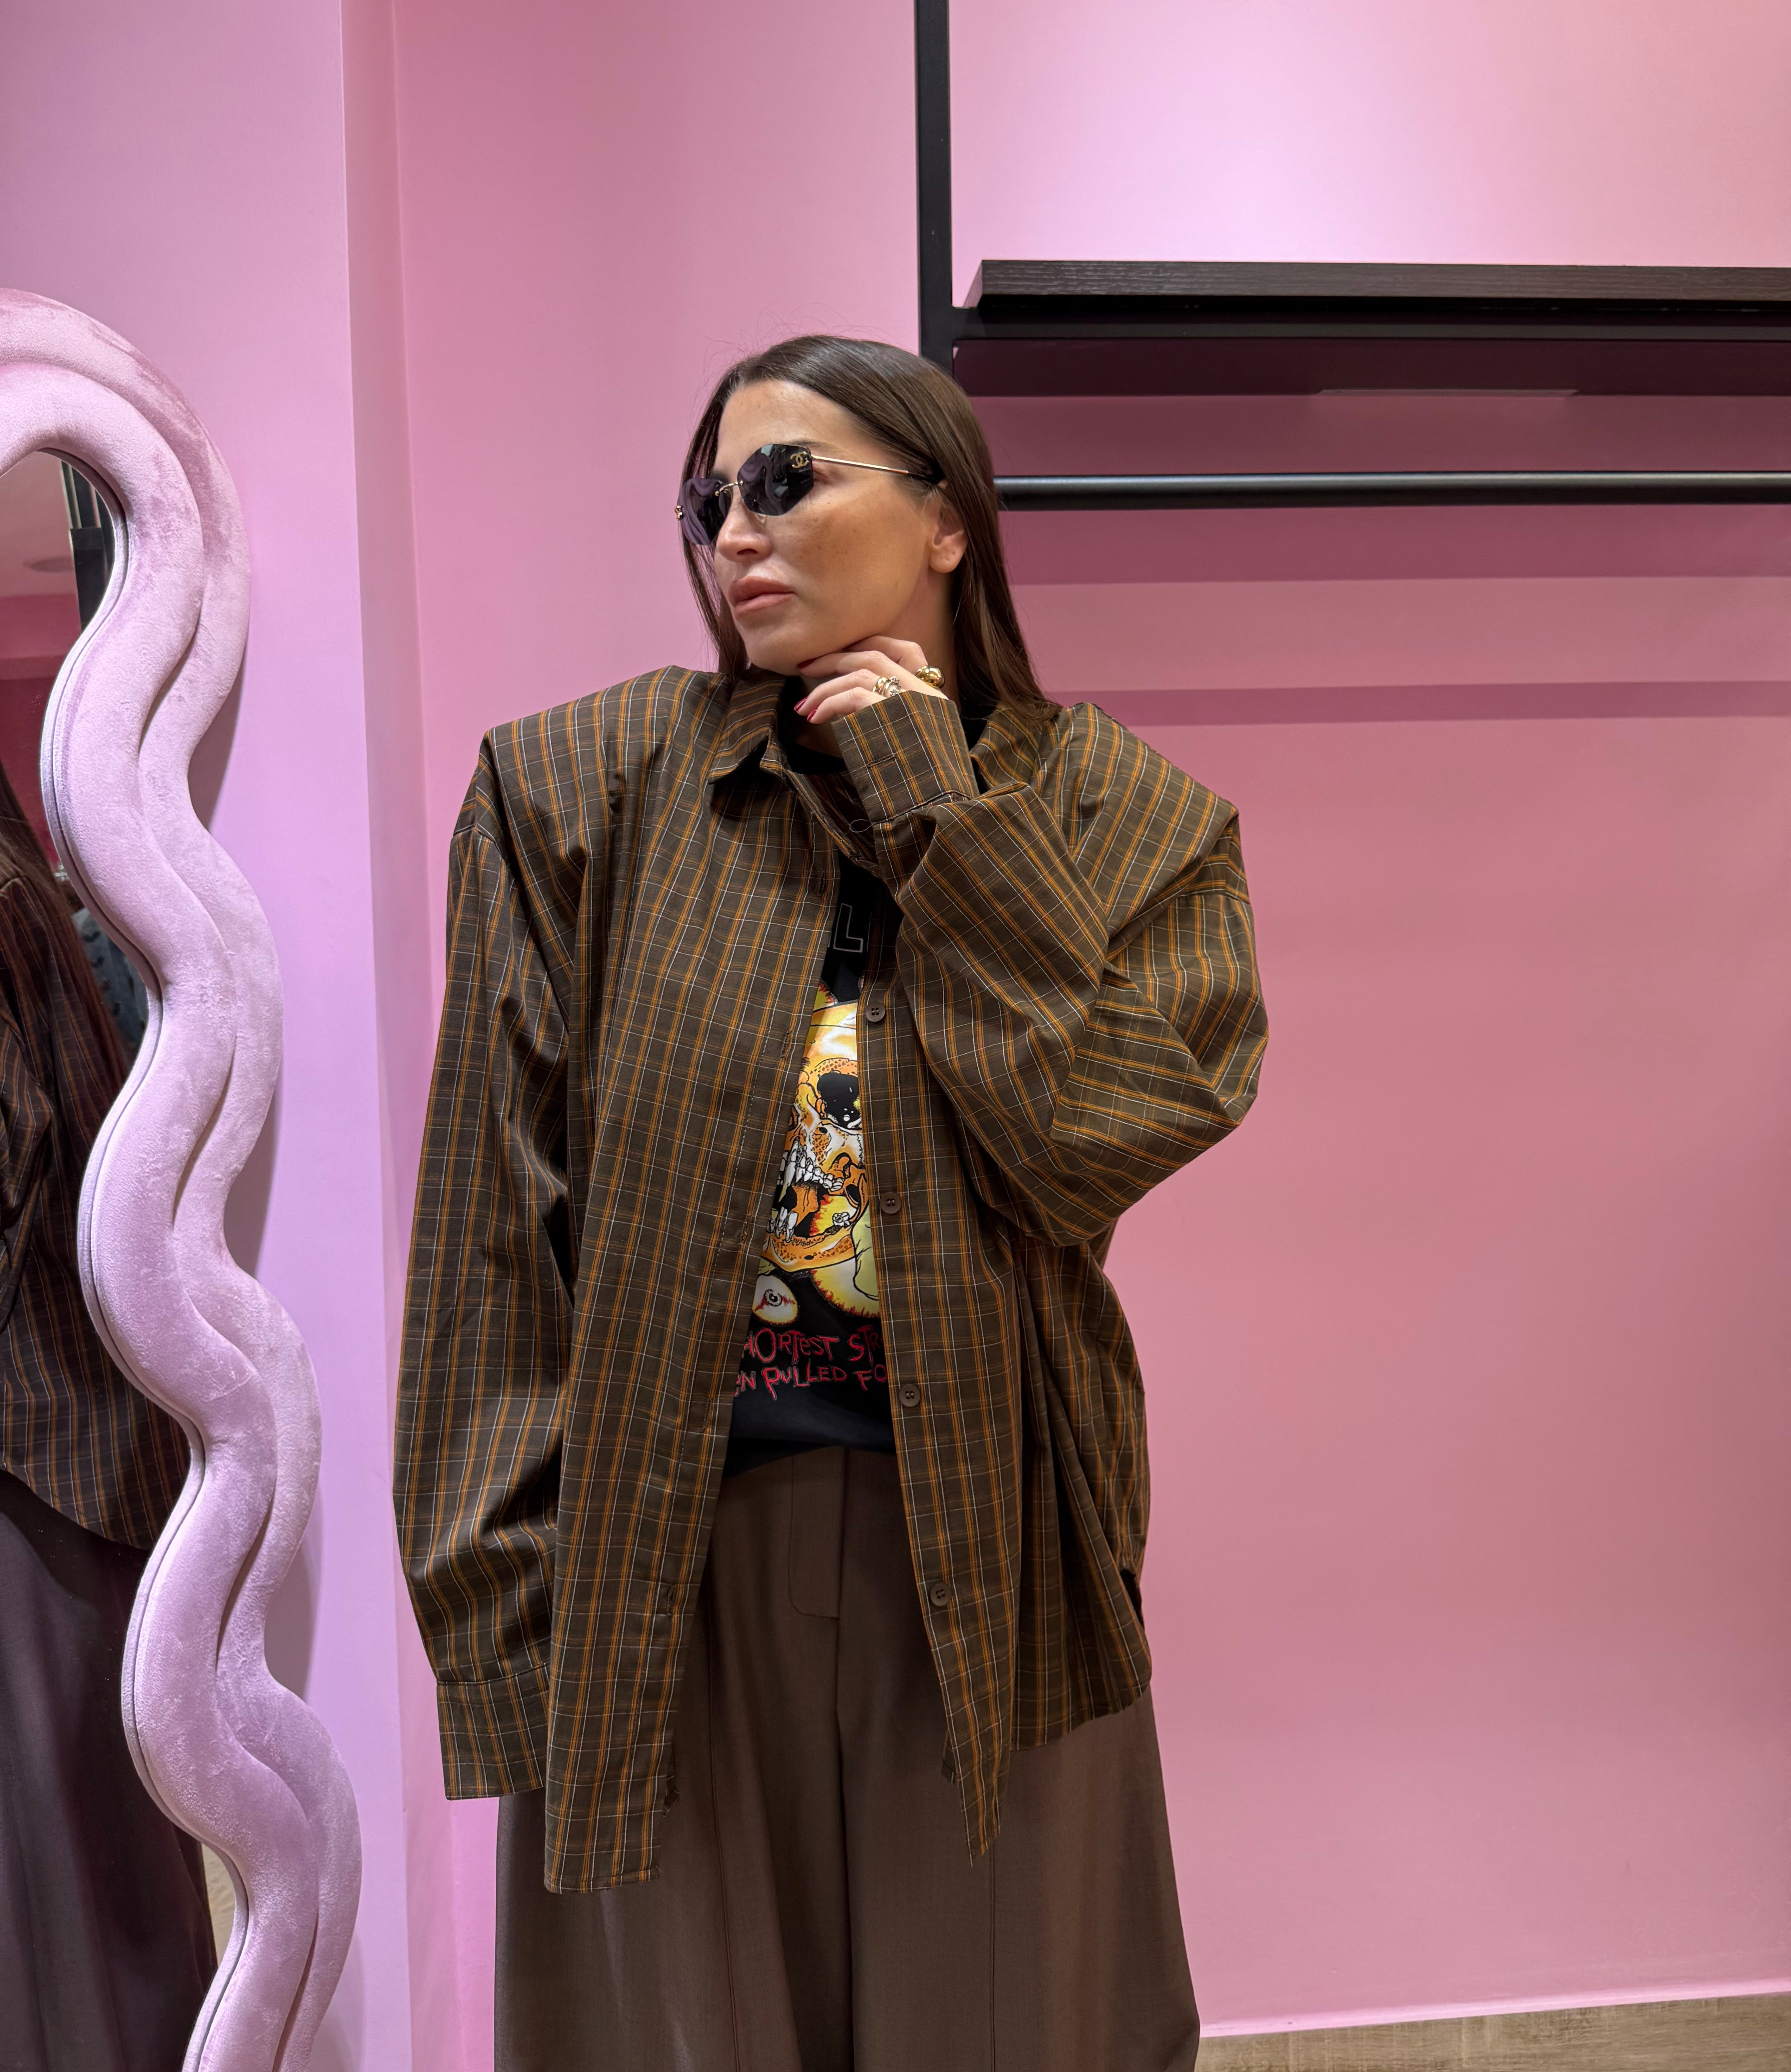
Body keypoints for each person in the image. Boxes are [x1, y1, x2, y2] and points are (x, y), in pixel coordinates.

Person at [395, 336, 1268, 2071]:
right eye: (710, 497)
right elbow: (491, 1243)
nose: (737, 531)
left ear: (948, 519)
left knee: (1012, 2027)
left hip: (998, 1555)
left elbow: (1091, 1138)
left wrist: (941, 805)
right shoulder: (577, 792)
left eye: (787, 481)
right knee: (687, 2034)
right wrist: (501, 1626)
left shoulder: (1131, 820)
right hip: (662, 1560)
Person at [0, 755, 216, 2072]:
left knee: (52, 1906)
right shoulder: (27, 892)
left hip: (25, 1470)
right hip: (74, 1457)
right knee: (101, 1889)